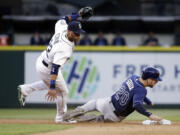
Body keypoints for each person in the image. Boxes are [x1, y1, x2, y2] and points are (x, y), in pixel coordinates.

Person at [17, 7, 93, 123]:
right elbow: (55, 69)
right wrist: (52, 88)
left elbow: (63, 19)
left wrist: (78, 14)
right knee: (62, 92)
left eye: (79, 34)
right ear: (69, 31)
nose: (78, 36)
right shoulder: (65, 48)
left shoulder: (62, 28)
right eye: (76, 34)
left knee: (47, 83)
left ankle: (25, 89)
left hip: (42, 61)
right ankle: (61, 118)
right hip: (49, 68)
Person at [63, 67, 170, 124]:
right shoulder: (141, 90)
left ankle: (78, 110)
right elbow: (137, 104)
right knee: (99, 121)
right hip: (114, 116)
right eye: (155, 80)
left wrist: (148, 101)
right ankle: (80, 120)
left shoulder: (133, 77)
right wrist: (149, 115)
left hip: (107, 102)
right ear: (149, 79)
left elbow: (135, 92)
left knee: (94, 103)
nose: (156, 82)